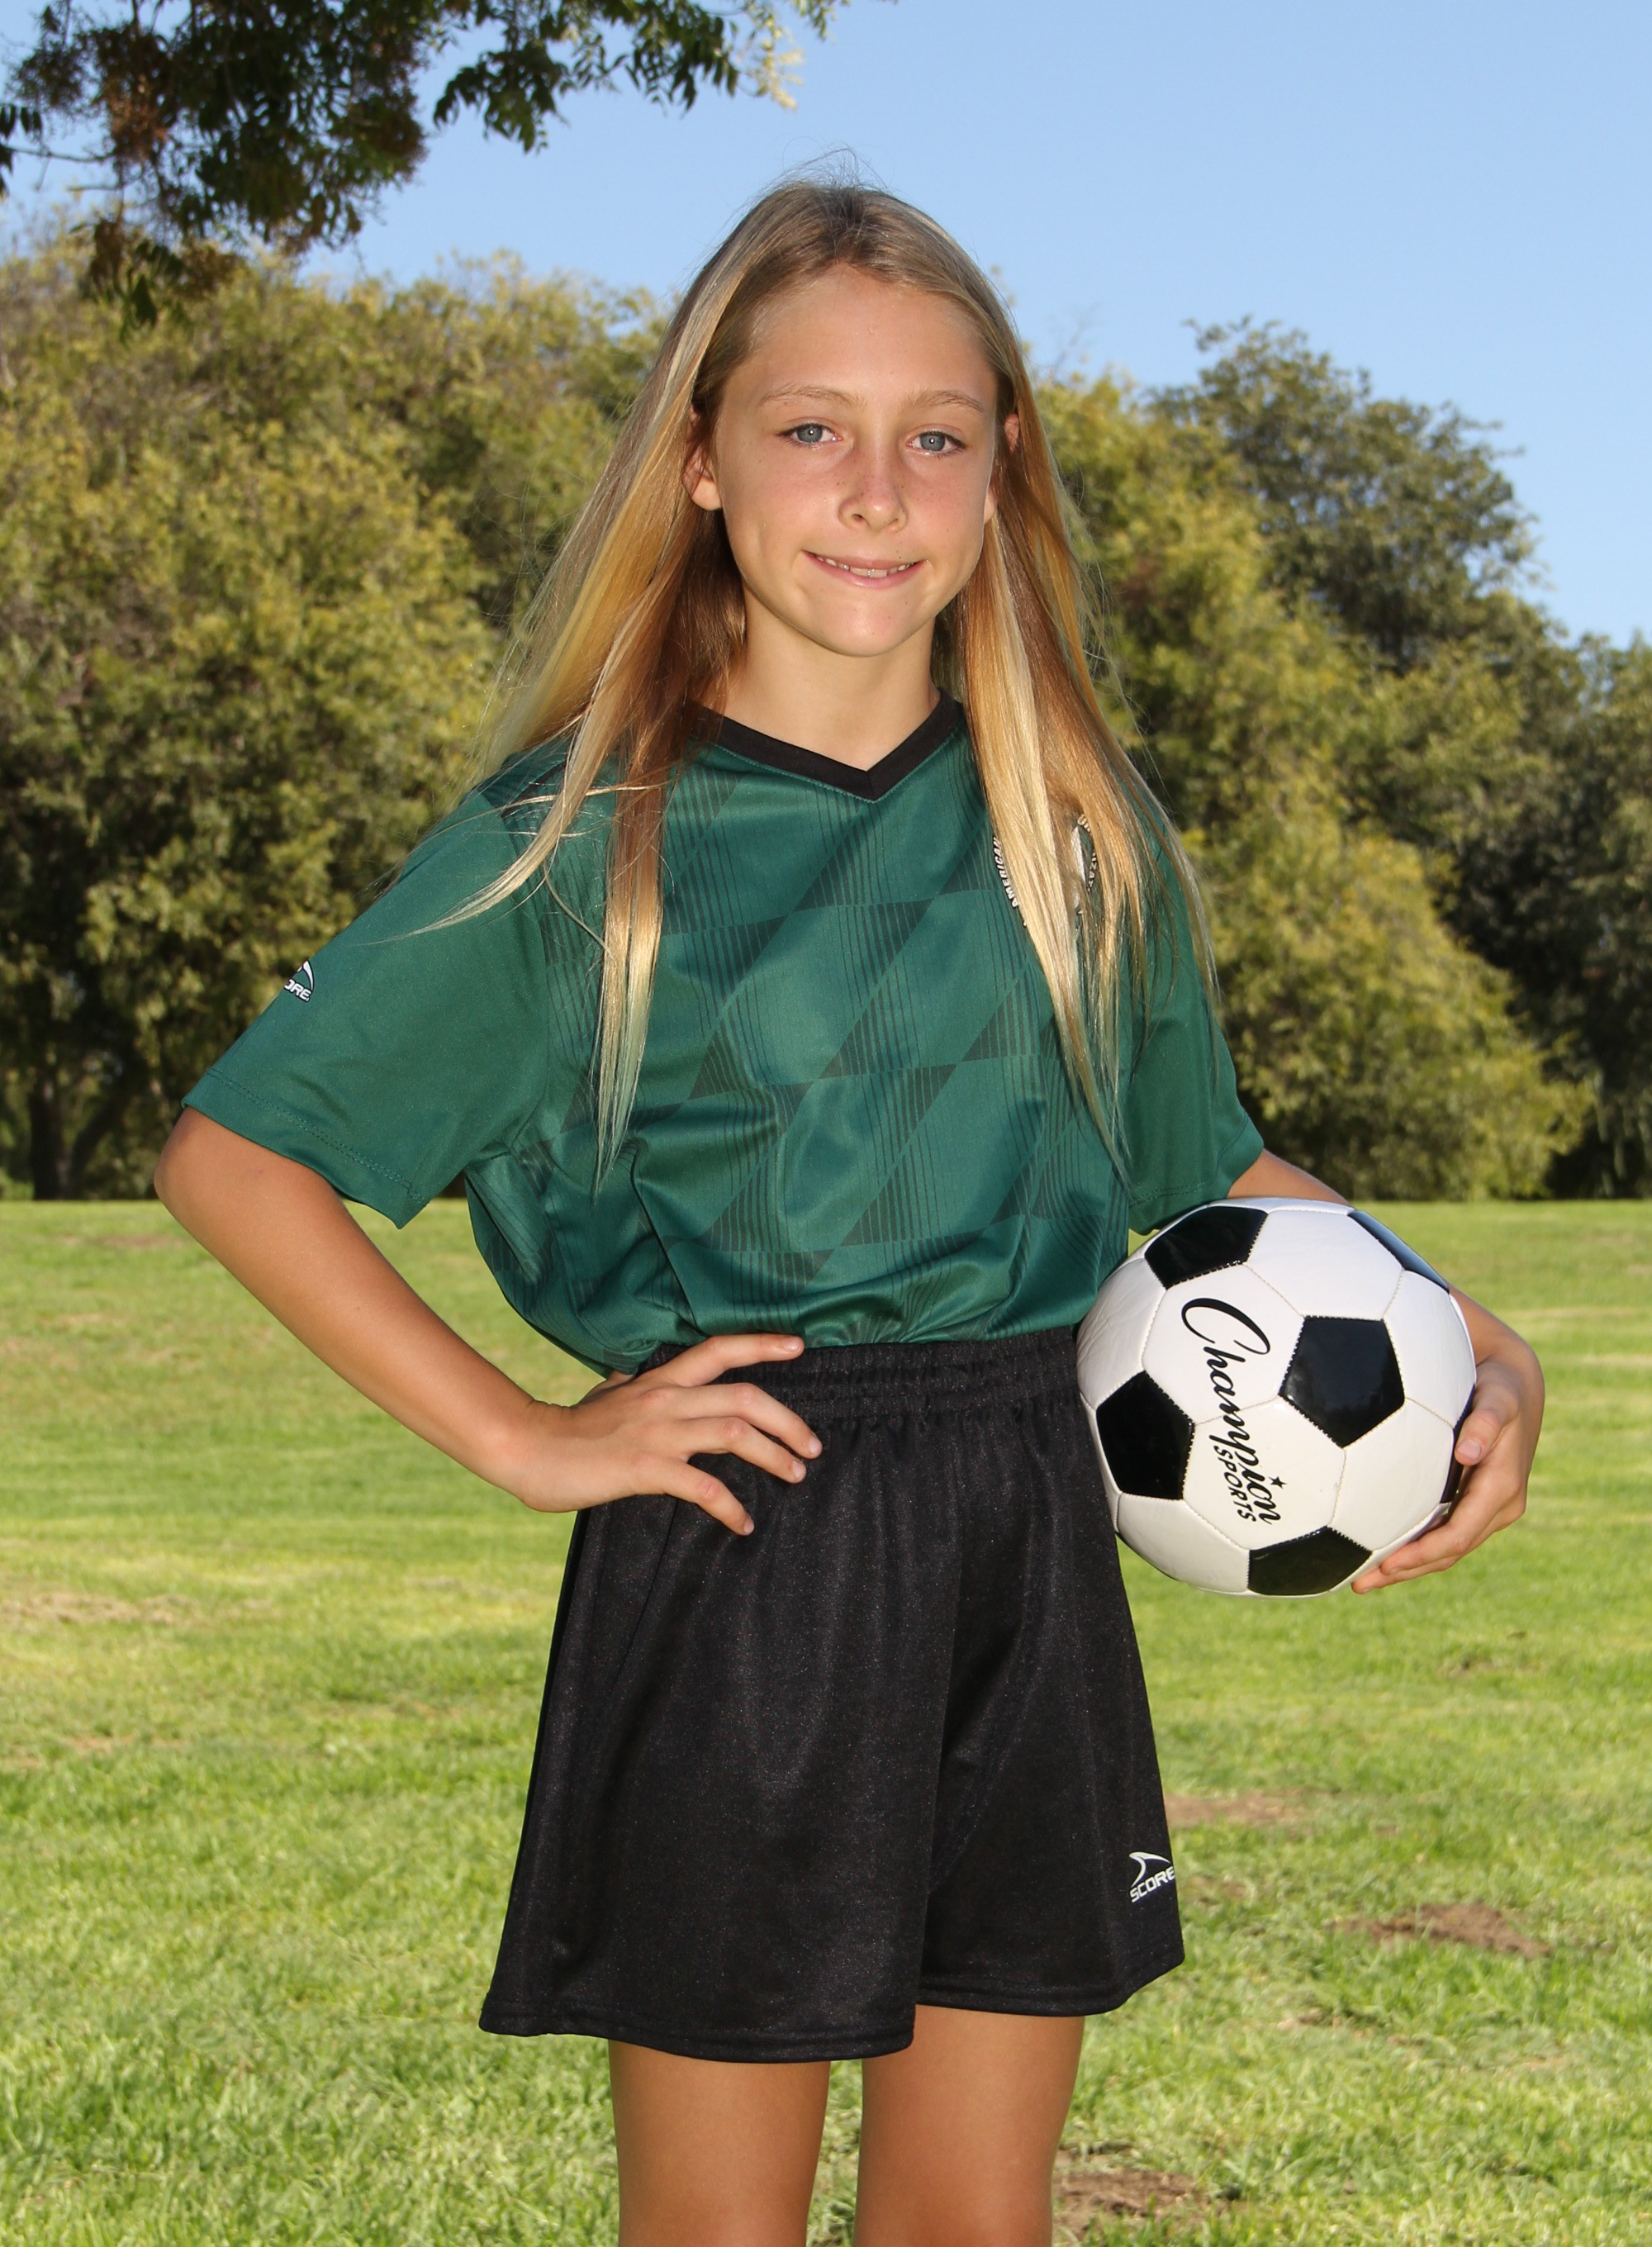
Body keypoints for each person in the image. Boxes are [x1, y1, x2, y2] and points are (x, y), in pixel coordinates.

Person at [154, 180, 1543, 2247]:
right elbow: (235, 1156)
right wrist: (526, 1436)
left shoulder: (1076, 826)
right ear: (701, 459)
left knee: (976, 2219)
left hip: (1031, 1514)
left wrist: (1473, 1338)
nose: (876, 489)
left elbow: (1204, 1167)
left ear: (1002, 472)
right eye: (811, 426)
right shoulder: (578, 845)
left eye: (935, 433)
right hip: (755, 1539)